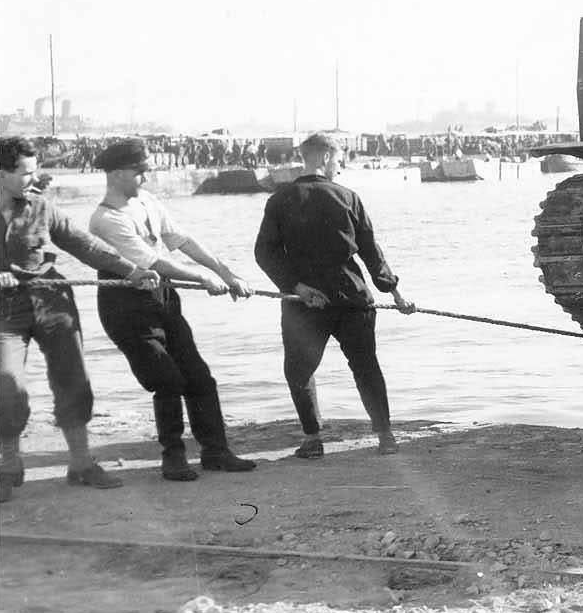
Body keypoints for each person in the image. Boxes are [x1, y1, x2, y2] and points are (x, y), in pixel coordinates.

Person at [0, 136, 160, 502]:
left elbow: (84, 244)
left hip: (51, 299)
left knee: (72, 379)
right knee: (6, 385)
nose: (34, 177)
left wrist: (130, 269)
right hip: (3, 311)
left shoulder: (41, 206)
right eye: (26, 172)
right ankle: (8, 466)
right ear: (1, 173)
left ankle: (81, 463)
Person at [87, 138, 257, 481]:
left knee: (200, 378)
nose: (146, 179)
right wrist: (202, 280)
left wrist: (225, 272)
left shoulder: (146, 201)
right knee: (167, 380)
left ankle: (215, 452)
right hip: (126, 308)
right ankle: (173, 458)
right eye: (140, 173)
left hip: (163, 300)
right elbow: (154, 261)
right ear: (118, 174)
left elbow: (182, 240)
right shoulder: (106, 219)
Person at [253, 132, 415, 459]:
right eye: (338, 160)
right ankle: (385, 436)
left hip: (305, 303)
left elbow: (264, 253)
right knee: (366, 366)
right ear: (325, 157)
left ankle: (313, 439)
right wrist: (394, 291)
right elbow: (371, 253)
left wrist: (295, 286)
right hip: (351, 296)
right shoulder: (349, 198)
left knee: (299, 370)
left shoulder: (279, 200)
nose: (339, 168)